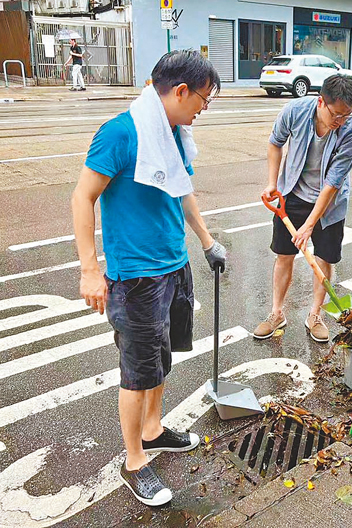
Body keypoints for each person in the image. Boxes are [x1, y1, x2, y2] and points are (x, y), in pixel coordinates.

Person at [71, 50, 227, 506]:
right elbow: (83, 198)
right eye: (203, 100)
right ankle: (134, 461)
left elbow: (181, 190)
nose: (203, 109)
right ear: (180, 91)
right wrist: (89, 269)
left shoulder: (172, 132)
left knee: (162, 357)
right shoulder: (121, 133)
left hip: (173, 265)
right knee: (138, 372)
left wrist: (206, 240)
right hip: (137, 275)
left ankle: (154, 430)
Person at [256, 74, 352, 342]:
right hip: (291, 194)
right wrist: (272, 183)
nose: (340, 121)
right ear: (321, 102)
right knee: (284, 255)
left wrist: (310, 224)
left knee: (324, 259)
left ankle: (315, 314)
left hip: (330, 204)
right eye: (336, 114)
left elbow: (332, 183)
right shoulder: (295, 110)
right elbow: (275, 142)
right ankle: (276, 312)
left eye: (346, 115)